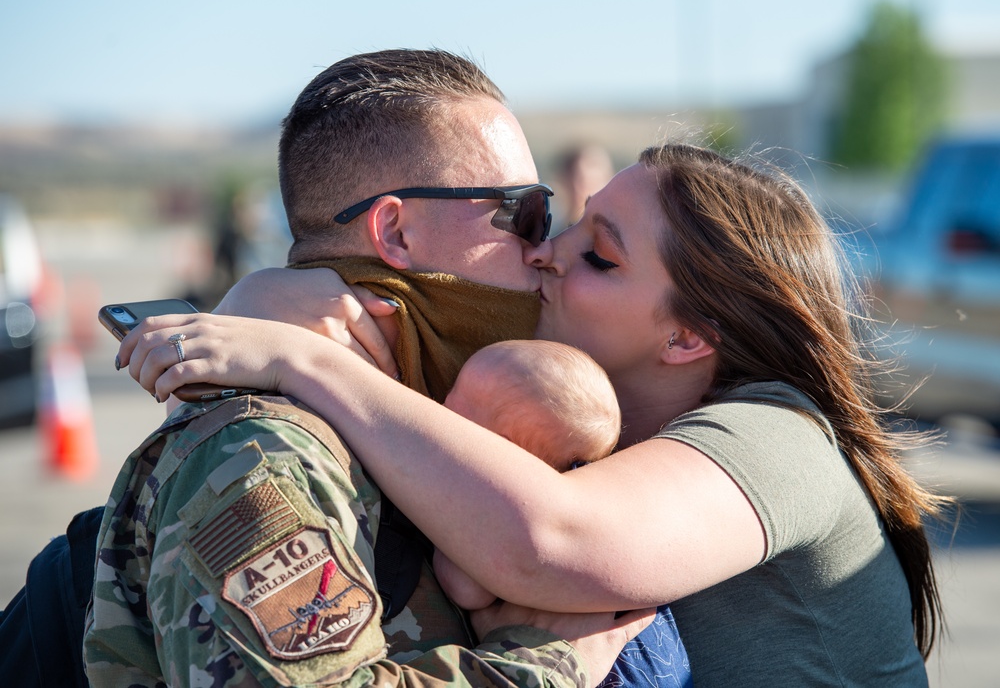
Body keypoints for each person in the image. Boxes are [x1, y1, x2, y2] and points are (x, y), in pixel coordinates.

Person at [124, 142, 948, 686]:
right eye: (565, 224)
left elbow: (545, 542)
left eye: (599, 255)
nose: (546, 253)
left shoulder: (780, 436)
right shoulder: (582, 411)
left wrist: (301, 359)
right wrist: (277, 297)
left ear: (690, 336)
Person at [80, 49, 652, 688]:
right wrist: (544, 661)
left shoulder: (420, 413)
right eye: (523, 213)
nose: (544, 248)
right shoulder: (264, 454)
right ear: (396, 234)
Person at [434, 339, 621, 610]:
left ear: (501, 451)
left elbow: (468, 592)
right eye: (452, 391)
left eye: (456, 412)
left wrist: (438, 506)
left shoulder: (500, 509)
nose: (438, 406)